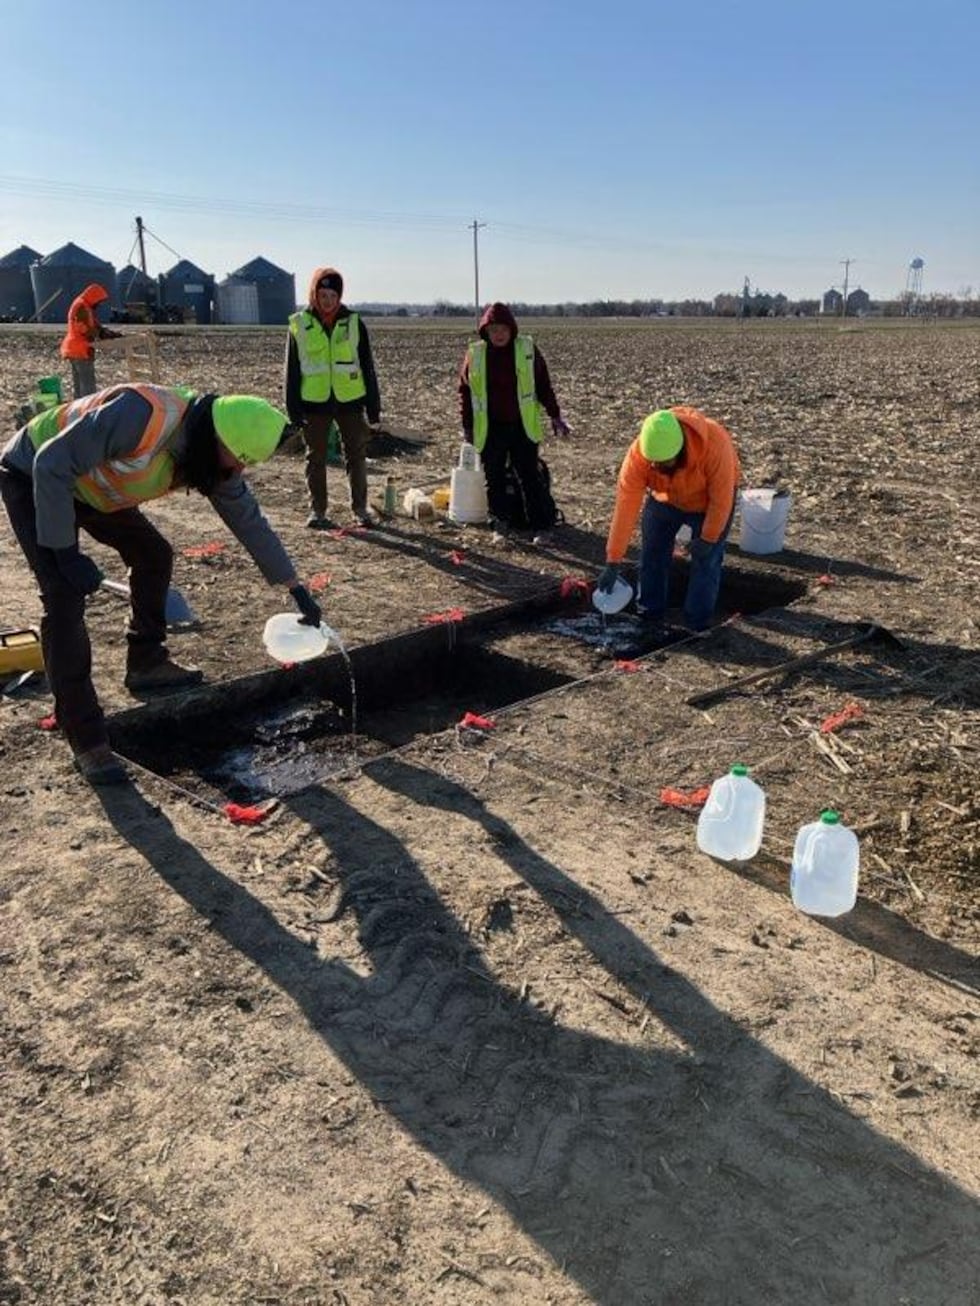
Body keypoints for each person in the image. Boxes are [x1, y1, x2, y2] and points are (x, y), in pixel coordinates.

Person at [0, 384, 324, 787]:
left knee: (153, 554)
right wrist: (64, 553)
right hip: (35, 475)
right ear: (217, 439)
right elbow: (52, 462)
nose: (238, 472)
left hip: (92, 491)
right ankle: (85, 736)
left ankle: (146, 662)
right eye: (237, 461)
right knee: (64, 598)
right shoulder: (141, 416)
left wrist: (295, 588)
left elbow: (249, 520)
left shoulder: (210, 456)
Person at [597, 407, 740, 644]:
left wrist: (708, 537)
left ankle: (697, 626)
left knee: (707, 562)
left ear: (681, 450)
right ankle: (649, 615)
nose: (658, 467)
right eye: (654, 463)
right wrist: (613, 560)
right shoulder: (639, 456)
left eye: (665, 462)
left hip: (707, 504)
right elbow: (625, 506)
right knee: (652, 553)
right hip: (665, 498)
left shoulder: (715, 445)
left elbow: (722, 499)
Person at [457, 302, 570, 545]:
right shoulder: (475, 354)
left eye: (503, 329)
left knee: (529, 476)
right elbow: (465, 392)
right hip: (490, 428)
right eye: (493, 329)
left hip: (522, 426)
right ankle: (500, 525)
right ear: (486, 331)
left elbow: (543, 385)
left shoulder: (527, 349)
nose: (498, 334)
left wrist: (555, 414)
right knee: (494, 477)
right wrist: (467, 426)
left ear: (512, 330)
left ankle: (541, 526)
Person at [284, 267, 382, 529]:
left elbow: (367, 367)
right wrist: (293, 410)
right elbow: (291, 371)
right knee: (315, 457)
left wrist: (374, 411)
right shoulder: (299, 325)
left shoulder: (354, 323)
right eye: (322, 294)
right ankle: (318, 512)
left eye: (332, 295)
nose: (328, 300)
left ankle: (360, 510)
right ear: (314, 294)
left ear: (340, 296)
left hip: (350, 402)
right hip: (314, 403)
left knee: (356, 455)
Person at [59, 284, 121, 398]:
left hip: (73, 348)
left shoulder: (83, 305)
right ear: (94, 297)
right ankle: (88, 411)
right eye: (98, 301)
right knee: (88, 388)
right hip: (80, 349)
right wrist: (101, 334)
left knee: (79, 386)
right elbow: (85, 328)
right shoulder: (81, 306)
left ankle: (78, 410)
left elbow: (94, 325)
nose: (99, 304)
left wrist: (106, 332)